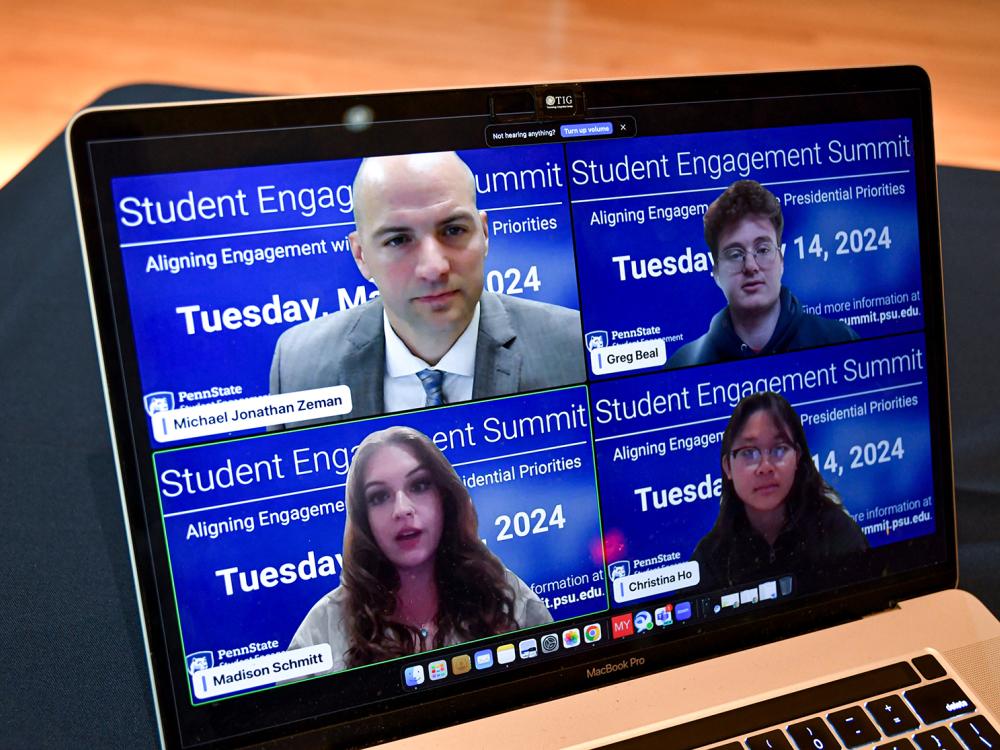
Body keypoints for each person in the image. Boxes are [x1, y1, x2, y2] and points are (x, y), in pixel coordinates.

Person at [269, 152, 585, 424]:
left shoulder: (573, 346)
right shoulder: (298, 365)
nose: (434, 267)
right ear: (361, 255)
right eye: (398, 240)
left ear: (484, 234)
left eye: (453, 230)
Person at [288, 426, 552, 672]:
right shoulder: (321, 628)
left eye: (419, 485)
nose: (402, 509)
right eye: (379, 497)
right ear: (363, 519)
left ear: (445, 499)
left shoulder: (502, 594)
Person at [667, 180, 857, 368]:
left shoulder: (839, 340)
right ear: (716, 273)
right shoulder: (684, 363)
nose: (751, 266)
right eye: (735, 254)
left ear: (781, 260)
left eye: (763, 250)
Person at [691, 392, 869, 592]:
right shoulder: (710, 558)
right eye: (749, 452)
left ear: (797, 457)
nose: (765, 466)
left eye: (779, 449)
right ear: (728, 467)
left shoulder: (836, 533)